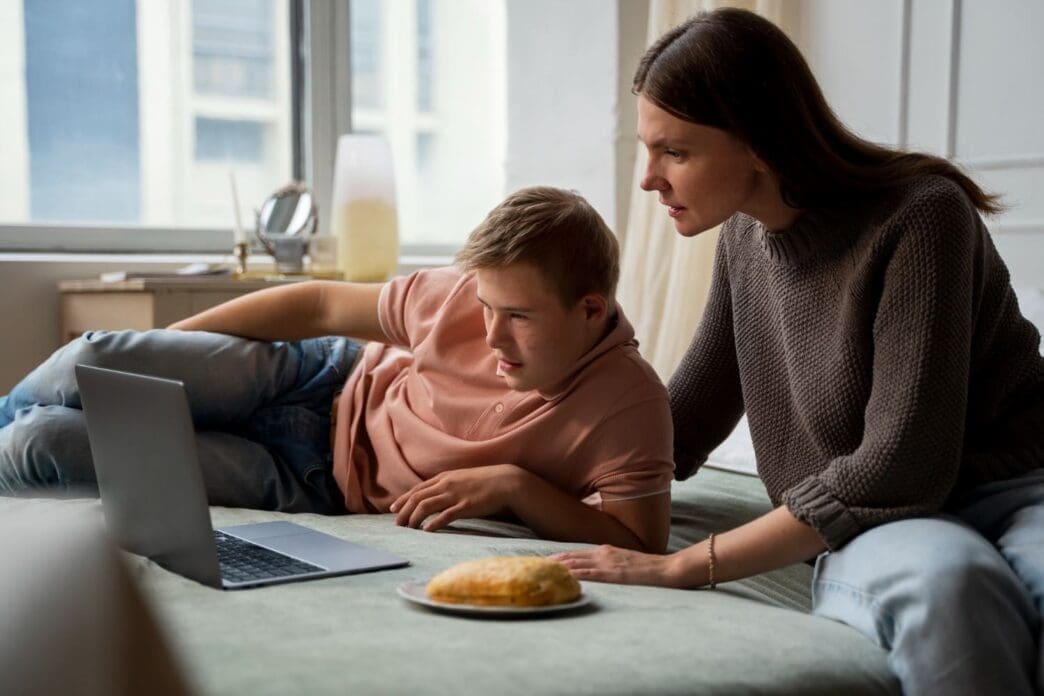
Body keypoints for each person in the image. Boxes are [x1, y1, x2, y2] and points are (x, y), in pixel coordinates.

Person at [554, 9, 1044, 695]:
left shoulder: (921, 217)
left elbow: (898, 467)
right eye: (648, 148)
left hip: (1012, 489)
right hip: (885, 527)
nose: (648, 179)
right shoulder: (744, 244)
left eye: (677, 152)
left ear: (759, 143)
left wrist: (684, 566)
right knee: (952, 587)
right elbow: (678, 424)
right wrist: (517, 474)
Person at [0, 186, 673, 552]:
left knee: (42, 445)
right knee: (90, 359)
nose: (491, 334)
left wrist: (517, 486)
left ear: (590, 309)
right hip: (315, 376)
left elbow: (638, 539)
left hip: (313, 479)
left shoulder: (631, 407)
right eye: (485, 306)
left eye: (518, 317)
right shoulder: (460, 295)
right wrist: (164, 354)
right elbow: (320, 303)